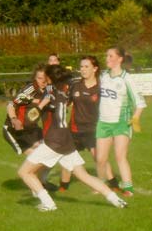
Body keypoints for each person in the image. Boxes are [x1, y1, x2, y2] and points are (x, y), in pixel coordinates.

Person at [18, 64, 127, 211]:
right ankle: (116, 200)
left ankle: (48, 204)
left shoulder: (51, 93)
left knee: (24, 172)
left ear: (50, 78)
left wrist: (31, 108)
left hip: (54, 141)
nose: (43, 80)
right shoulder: (63, 92)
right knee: (83, 175)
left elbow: (37, 109)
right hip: (66, 139)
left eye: (46, 77)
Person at [59, 56, 119, 192]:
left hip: (94, 129)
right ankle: (63, 187)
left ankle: (113, 184)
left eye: (86, 66)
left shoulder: (101, 87)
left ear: (95, 68)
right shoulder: (75, 85)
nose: (83, 69)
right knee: (67, 157)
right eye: (81, 67)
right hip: (74, 129)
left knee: (99, 158)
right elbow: (64, 103)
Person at [96, 47, 146, 197]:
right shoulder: (103, 76)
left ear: (120, 59)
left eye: (110, 56)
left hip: (121, 123)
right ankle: (101, 186)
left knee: (120, 157)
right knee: (100, 159)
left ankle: (128, 188)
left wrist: (135, 118)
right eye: (106, 56)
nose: (107, 59)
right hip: (103, 123)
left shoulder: (126, 78)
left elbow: (140, 102)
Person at [2, 64, 57, 191]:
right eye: (39, 78)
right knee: (37, 158)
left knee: (52, 152)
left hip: (32, 129)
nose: (42, 81)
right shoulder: (30, 89)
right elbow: (11, 104)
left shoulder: (49, 89)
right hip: (15, 131)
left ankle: (42, 182)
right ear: (35, 78)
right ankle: (36, 189)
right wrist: (14, 119)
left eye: (45, 78)